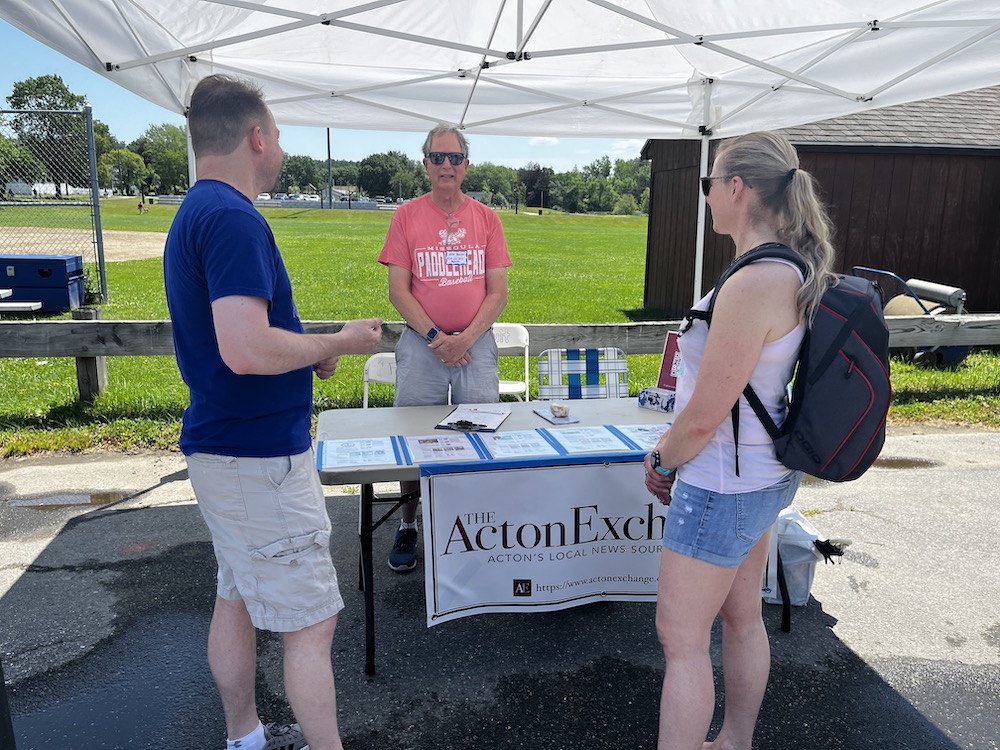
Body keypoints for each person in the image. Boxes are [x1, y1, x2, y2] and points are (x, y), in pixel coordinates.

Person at [163, 74, 382, 750]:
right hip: (256, 460)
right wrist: (341, 341)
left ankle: (244, 737)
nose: (281, 148)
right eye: (279, 135)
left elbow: (247, 341)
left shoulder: (197, 211)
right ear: (257, 138)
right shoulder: (231, 217)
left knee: (236, 596)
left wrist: (310, 352)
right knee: (311, 623)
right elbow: (247, 348)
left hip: (229, 450)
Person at [643, 130, 837, 750]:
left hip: (721, 482)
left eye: (708, 185)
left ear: (735, 188)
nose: (705, 197)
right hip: (758, 476)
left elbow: (704, 414)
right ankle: (733, 741)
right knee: (742, 618)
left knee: (680, 638)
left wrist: (661, 460)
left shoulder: (756, 280)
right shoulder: (785, 268)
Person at [377, 124, 512, 572]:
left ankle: (474, 527)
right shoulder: (406, 217)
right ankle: (409, 524)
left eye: (455, 158)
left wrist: (466, 340)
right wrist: (438, 340)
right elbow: (399, 291)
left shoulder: (487, 218)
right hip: (422, 347)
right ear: (425, 165)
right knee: (417, 439)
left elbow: (498, 292)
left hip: (477, 346)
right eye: (438, 158)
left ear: (467, 165)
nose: (447, 166)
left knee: (480, 439)